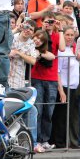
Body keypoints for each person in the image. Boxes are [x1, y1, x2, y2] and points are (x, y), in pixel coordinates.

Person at [31, 12, 65, 150]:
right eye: (46, 21)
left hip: (51, 78)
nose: (48, 24)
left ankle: (45, 139)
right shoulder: (38, 36)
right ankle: (36, 140)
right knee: (38, 109)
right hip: (37, 76)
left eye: (51, 22)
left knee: (48, 111)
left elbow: (62, 48)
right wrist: (43, 30)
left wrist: (60, 29)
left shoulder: (56, 36)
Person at [54, 26, 79, 148]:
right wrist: (61, 91)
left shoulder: (73, 50)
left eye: (71, 35)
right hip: (64, 86)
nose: (69, 37)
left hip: (74, 87)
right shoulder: (61, 51)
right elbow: (57, 71)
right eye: (67, 35)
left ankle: (66, 141)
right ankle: (59, 142)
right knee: (61, 116)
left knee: (70, 116)